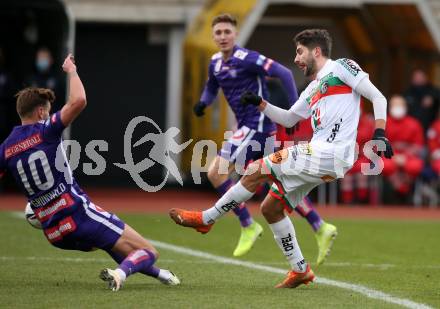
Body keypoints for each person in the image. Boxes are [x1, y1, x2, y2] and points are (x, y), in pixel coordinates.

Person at [170, 29, 393, 288]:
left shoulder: (342, 67)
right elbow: (288, 118)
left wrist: (379, 132)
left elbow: (378, 97)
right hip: (322, 156)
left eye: (300, 51)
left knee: (255, 169)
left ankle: (206, 219)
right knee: (271, 208)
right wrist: (260, 103)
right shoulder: (312, 88)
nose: (296, 58)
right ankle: (300, 270)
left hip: (329, 153)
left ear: (316, 51)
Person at [0, 54, 180, 291]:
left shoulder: (6, 148)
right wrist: (71, 70)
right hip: (77, 214)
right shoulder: (45, 130)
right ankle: (120, 274)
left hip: (53, 232)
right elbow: (79, 100)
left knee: (113, 245)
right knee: (149, 251)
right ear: (42, 112)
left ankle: (163, 276)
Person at [193, 13, 337, 262]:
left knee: (216, 173)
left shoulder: (247, 59)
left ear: (236, 34)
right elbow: (212, 86)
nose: (223, 36)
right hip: (253, 128)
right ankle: (320, 226)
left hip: (255, 125)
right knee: (277, 182)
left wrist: (294, 110)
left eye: (228, 32)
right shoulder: (215, 62)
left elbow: (285, 73)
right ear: (213, 36)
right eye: (219, 32)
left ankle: (248, 224)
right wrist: (203, 103)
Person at [381, 95, 424, 198]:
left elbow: (418, 145)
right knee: (385, 165)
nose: (398, 107)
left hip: (408, 157)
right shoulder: (383, 123)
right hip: (389, 156)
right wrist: (395, 157)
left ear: (405, 107)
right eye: (395, 105)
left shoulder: (414, 123)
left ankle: (404, 188)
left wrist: (405, 156)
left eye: (400, 105)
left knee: (415, 166)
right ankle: (399, 188)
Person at [26, 47, 65, 112]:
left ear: (51, 60)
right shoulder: (30, 80)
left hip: (52, 118)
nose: (42, 60)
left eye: (44, 58)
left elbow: (62, 101)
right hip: (35, 119)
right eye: (40, 58)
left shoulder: (57, 80)